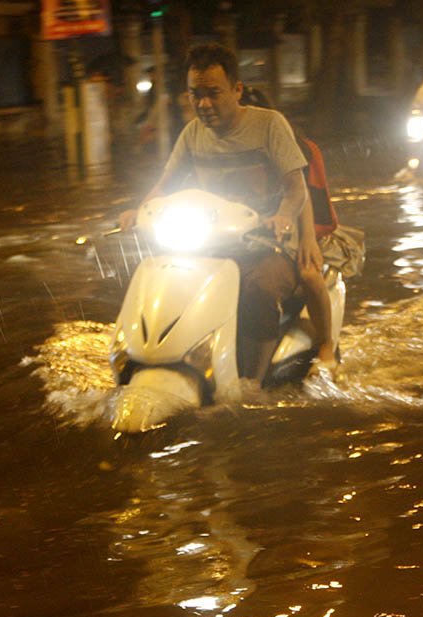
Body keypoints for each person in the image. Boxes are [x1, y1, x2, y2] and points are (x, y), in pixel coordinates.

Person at [119, 43, 322, 382]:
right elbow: (164, 186)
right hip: (213, 241)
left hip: (269, 241)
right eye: (195, 94)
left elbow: (296, 187)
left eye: (213, 93)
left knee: (258, 289)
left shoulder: (270, 125)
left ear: (237, 90)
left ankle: (252, 381)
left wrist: (284, 215)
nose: (203, 104)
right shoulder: (191, 134)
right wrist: (139, 211)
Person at [240, 86, 338, 370]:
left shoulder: (285, 144)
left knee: (308, 272)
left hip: (292, 224)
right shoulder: (221, 147)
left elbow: (302, 195)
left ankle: (326, 344)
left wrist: (307, 239)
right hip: (248, 230)